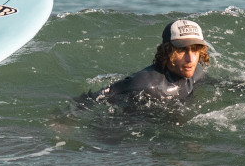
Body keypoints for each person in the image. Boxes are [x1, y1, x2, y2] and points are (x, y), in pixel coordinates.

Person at [76, 18, 210, 106]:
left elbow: (222, 84)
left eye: (195, 50)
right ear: (167, 51)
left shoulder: (196, 75)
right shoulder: (146, 84)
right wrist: (65, 119)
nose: (190, 58)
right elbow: (94, 97)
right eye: (182, 50)